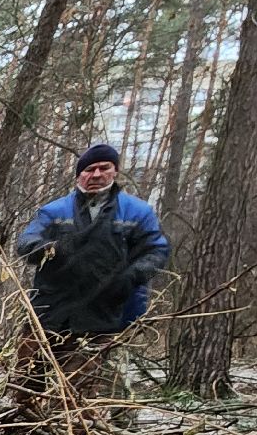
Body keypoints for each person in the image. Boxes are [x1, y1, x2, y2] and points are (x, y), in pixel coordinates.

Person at [14, 143, 170, 398]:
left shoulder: (137, 212)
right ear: (79, 175)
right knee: (25, 385)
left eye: (103, 168)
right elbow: (25, 243)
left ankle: (74, 433)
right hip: (48, 313)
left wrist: (131, 277)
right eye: (89, 169)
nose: (96, 175)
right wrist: (50, 248)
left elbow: (157, 251)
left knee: (79, 394)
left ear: (115, 172)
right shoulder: (54, 211)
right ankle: (18, 429)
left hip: (103, 317)